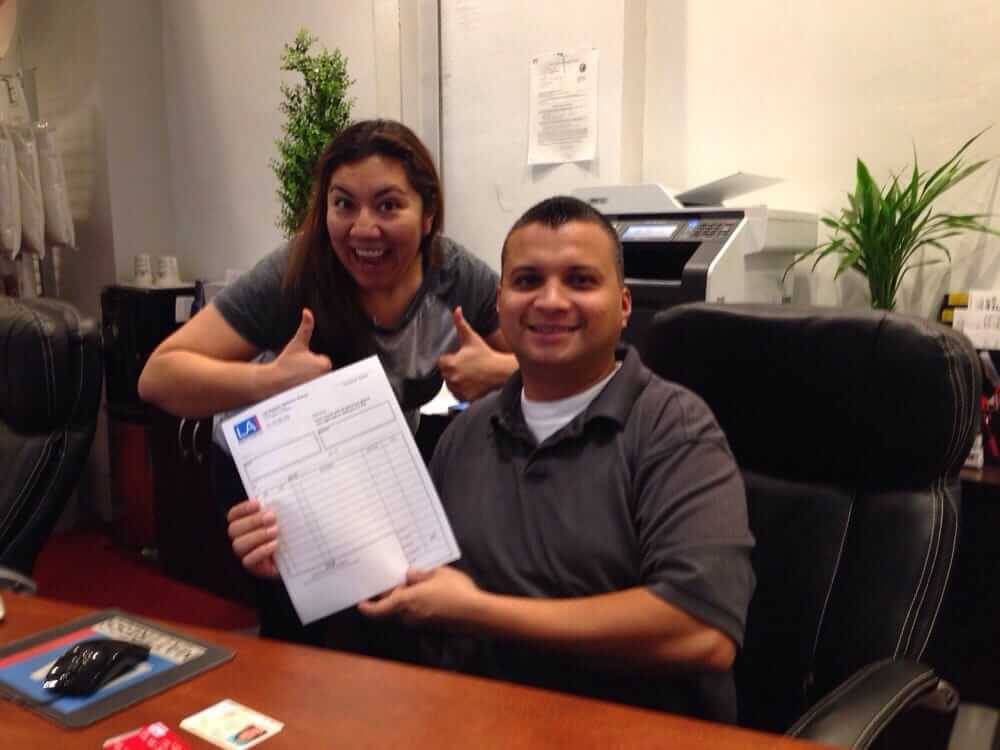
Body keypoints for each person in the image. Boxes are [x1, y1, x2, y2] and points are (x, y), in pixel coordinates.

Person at [227, 196, 755, 722]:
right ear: (499, 303)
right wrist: (303, 554)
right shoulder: (467, 433)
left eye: (580, 280)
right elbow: (414, 584)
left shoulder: (674, 429)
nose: (550, 300)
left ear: (623, 305)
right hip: (472, 719)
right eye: (527, 281)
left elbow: (702, 631)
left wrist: (480, 612)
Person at [139, 119, 516, 640]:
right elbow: (159, 376)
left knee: (396, 618)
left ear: (428, 215)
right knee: (311, 632)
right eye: (344, 204)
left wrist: (504, 372)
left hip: (370, 467)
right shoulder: (294, 272)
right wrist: (270, 380)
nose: (363, 228)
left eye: (388, 205)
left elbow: (566, 371)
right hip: (274, 471)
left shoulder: (455, 276)